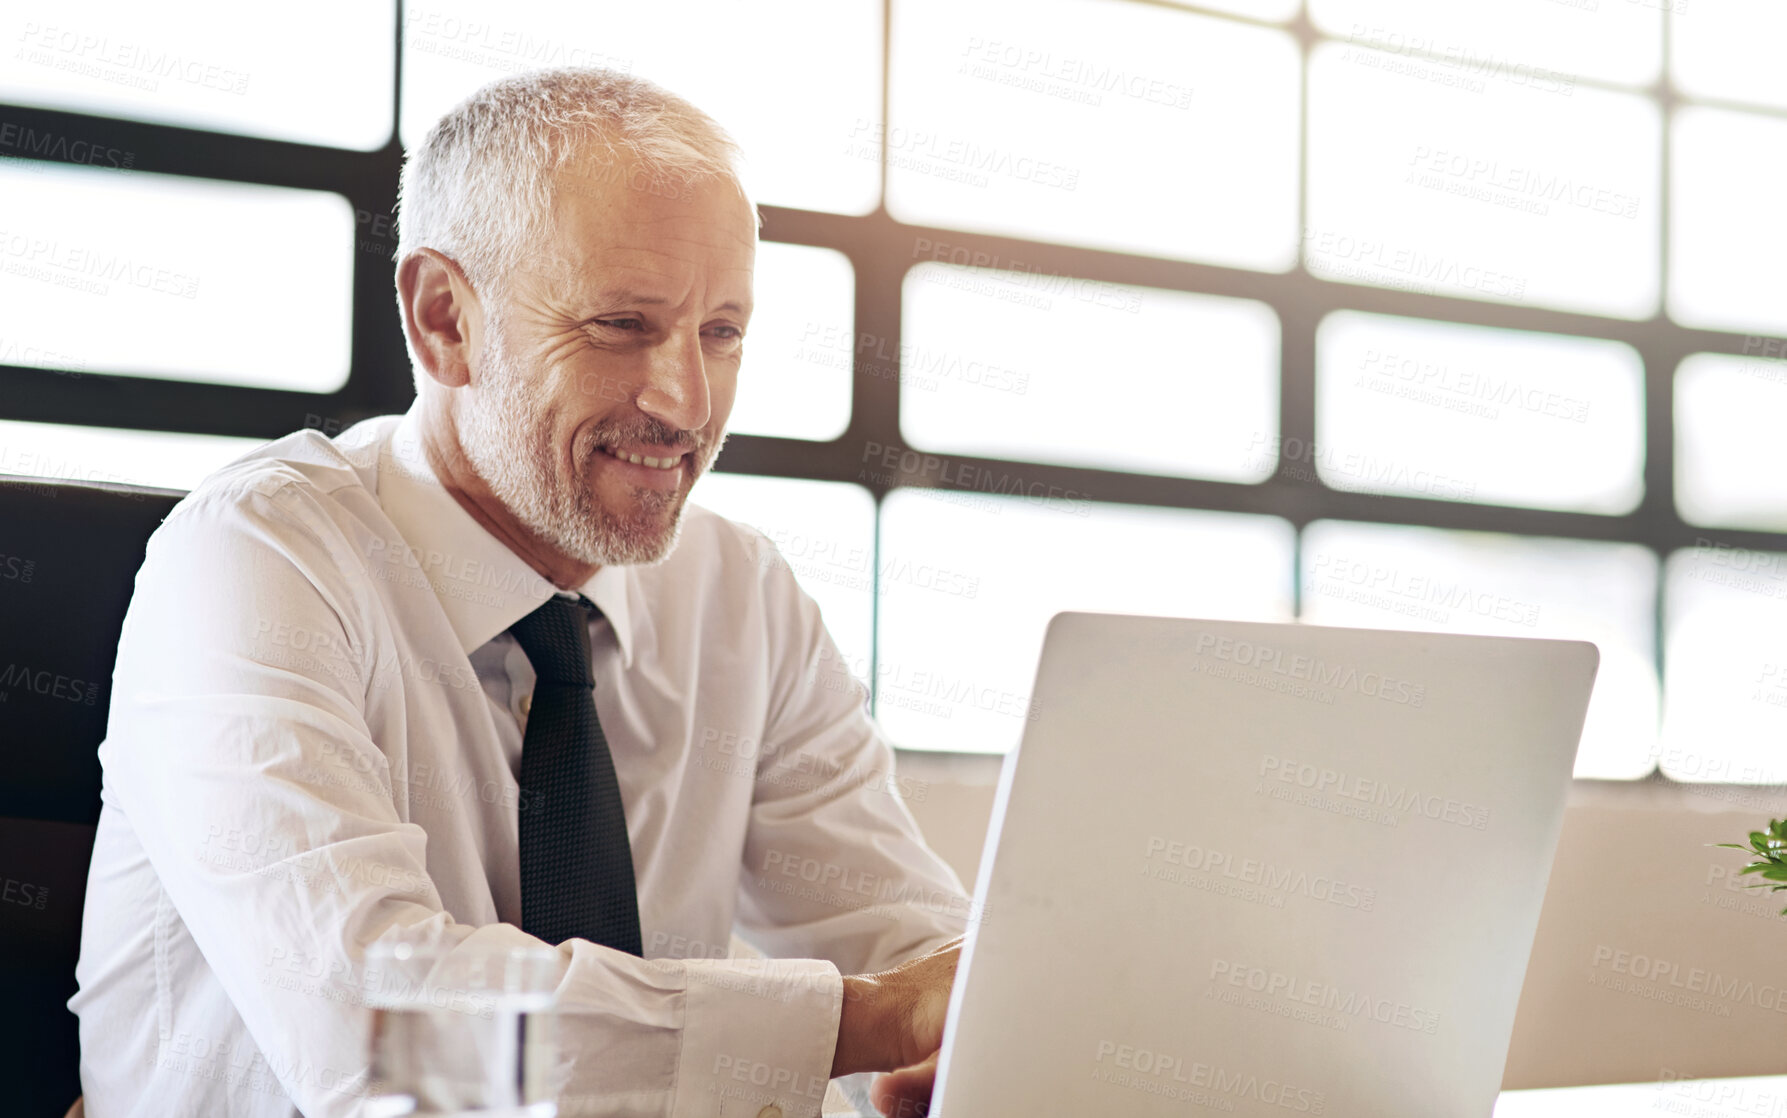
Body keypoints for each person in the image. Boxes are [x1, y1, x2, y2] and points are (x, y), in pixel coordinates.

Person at [69, 66, 970, 1118]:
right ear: (443, 317)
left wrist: (982, 1027)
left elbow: (918, 954)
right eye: (622, 324)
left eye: (720, 331)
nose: (686, 402)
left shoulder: (742, 596)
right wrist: (864, 1021)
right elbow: (377, 1028)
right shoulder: (256, 555)